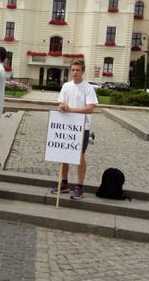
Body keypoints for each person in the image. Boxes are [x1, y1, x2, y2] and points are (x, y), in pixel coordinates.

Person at [51, 59, 98, 200]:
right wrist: (62, 107)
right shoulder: (66, 86)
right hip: (67, 126)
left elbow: (90, 109)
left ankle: (80, 187)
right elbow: (61, 103)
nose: (75, 72)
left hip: (82, 127)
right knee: (64, 153)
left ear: (82, 71)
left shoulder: (88, 88)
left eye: (77, 70)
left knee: (80, 156)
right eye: (73, 70)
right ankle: (64, 184)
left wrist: (71, 109)